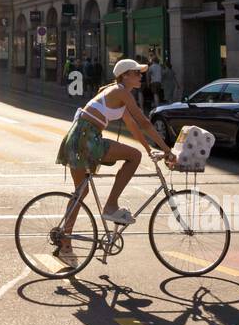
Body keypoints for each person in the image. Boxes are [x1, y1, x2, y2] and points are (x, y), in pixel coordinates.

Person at [55, 58, 173, 259]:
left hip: (78, 137)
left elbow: (134, 127)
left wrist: (149, 149)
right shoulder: (120, 92)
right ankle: (111, 206)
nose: (140, 75)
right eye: (136, 72)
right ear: (125, 75)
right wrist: (167, 149)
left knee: (80, 193)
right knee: (133, 156)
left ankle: (65, 244)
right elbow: (144, 122)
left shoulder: (117, 94)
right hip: (87, 137)